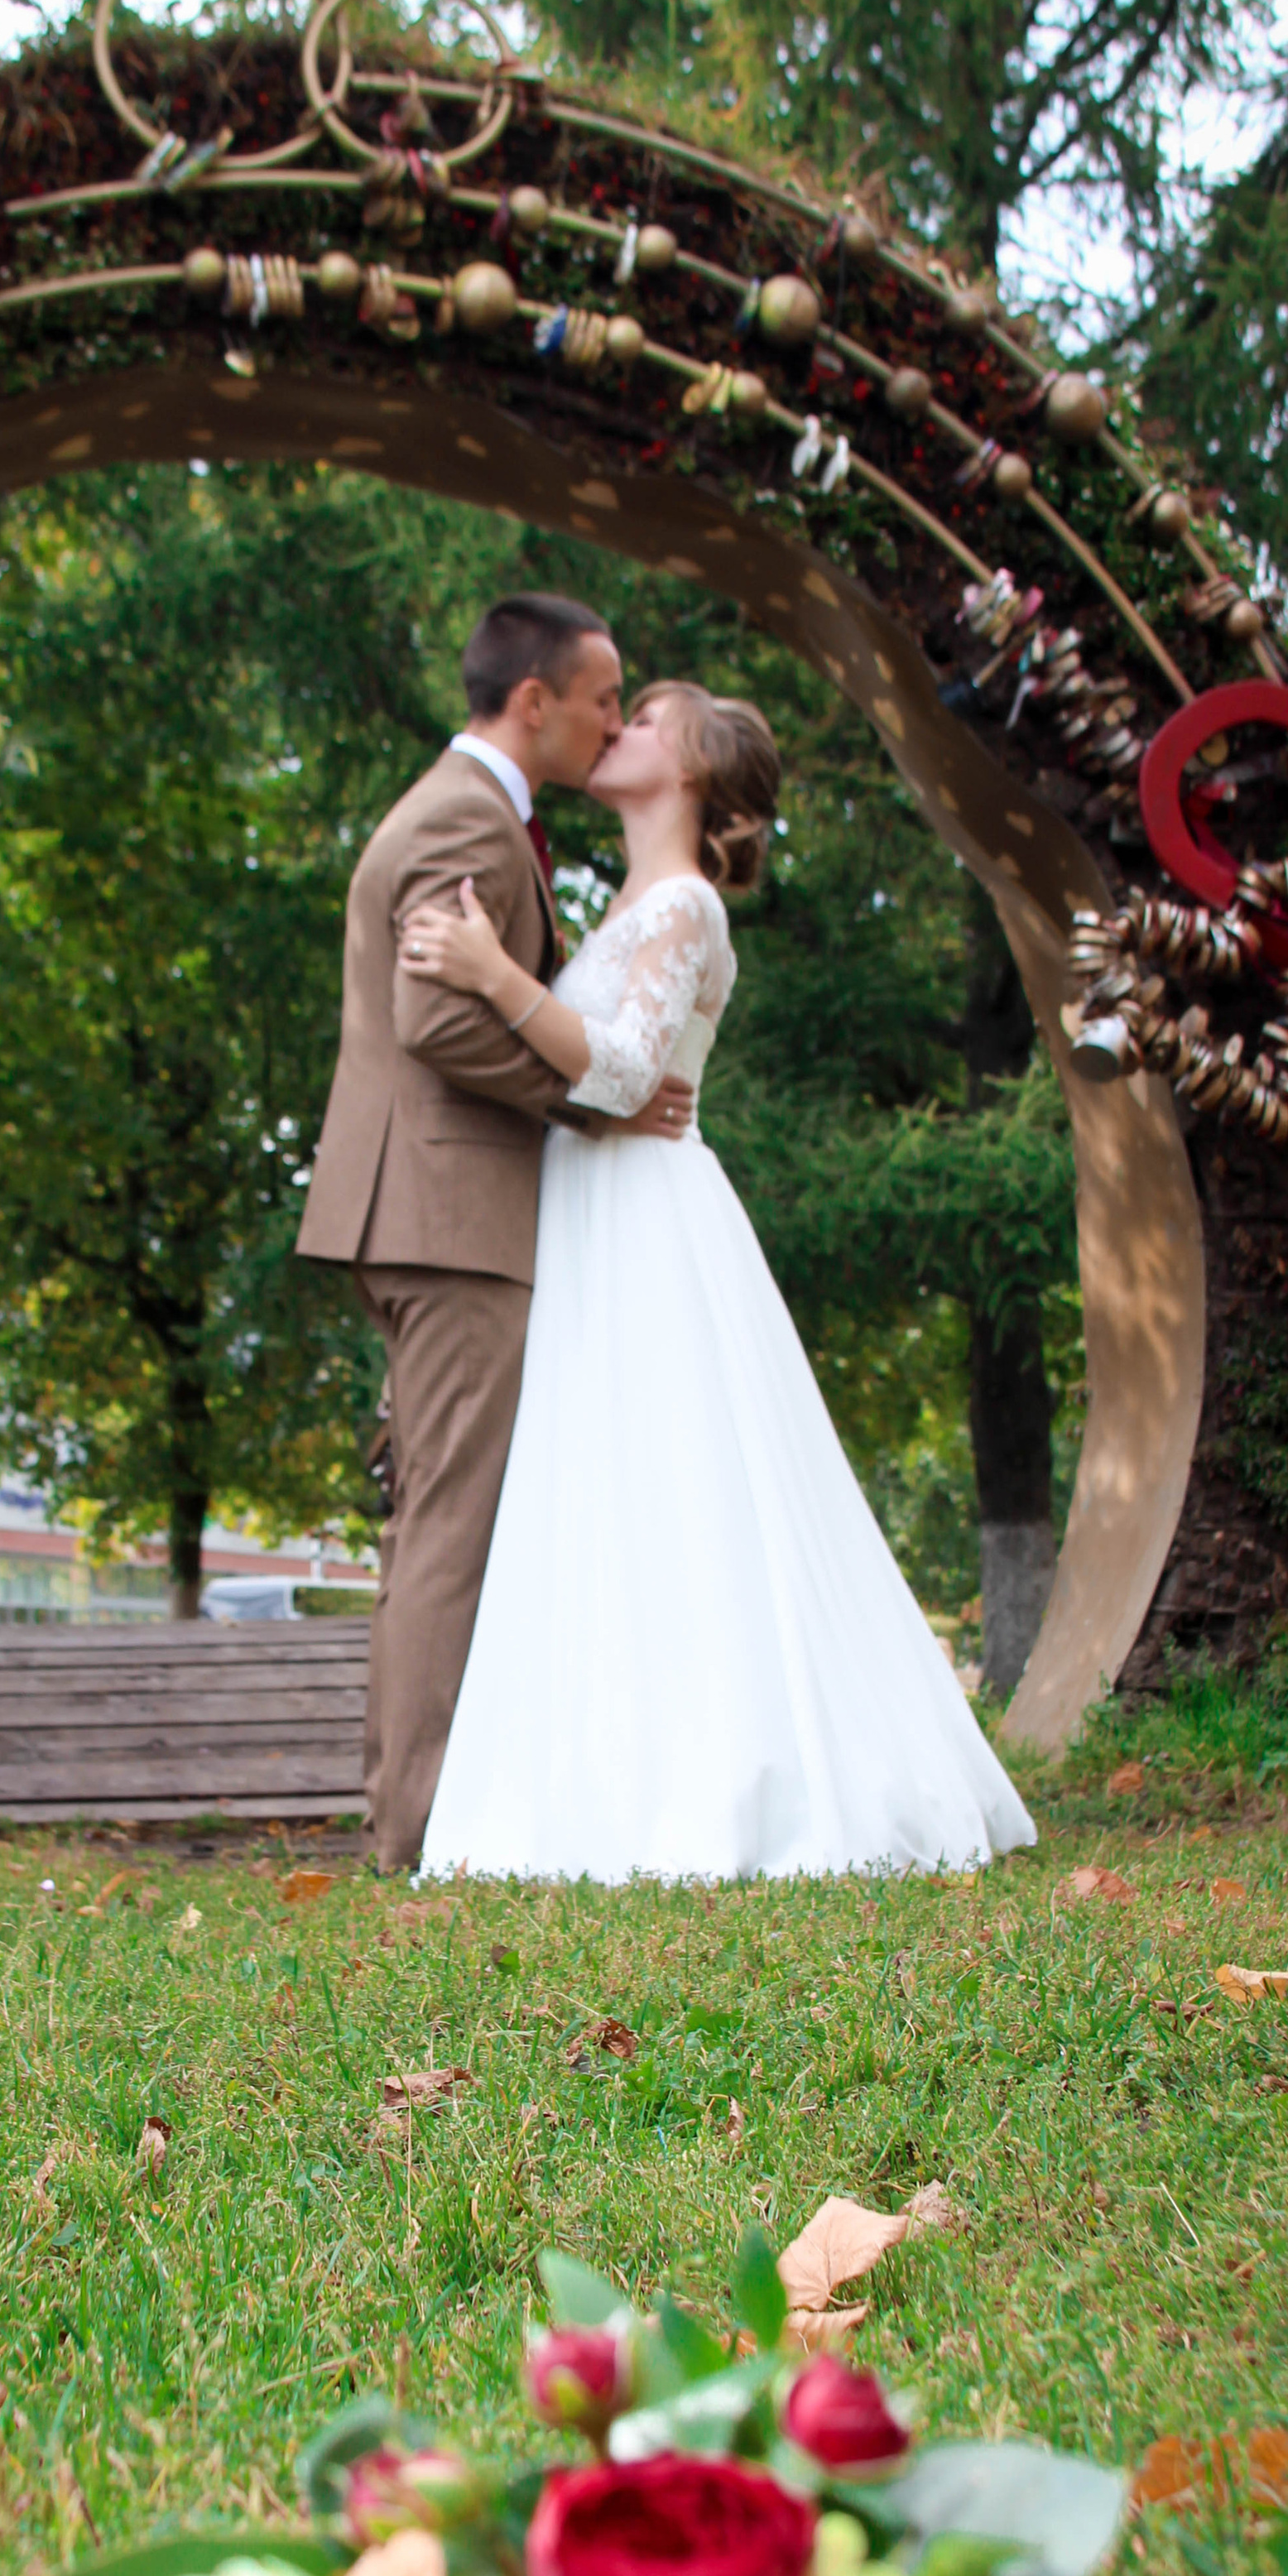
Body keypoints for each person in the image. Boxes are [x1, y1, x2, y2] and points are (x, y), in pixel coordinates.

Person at [403, 680, 1037, 1882]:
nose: (620, 727)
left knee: (675, 1486)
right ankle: (606, 1781)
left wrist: (490, 974)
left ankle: (719, 1784)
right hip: (595, 1208)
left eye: (646, 718)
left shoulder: (686, 905)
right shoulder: (633, 903)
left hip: (647, 1220)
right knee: (607, 1491)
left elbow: (627, 1072)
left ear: (692, 769)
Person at [297, 596, 693, 1872]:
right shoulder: (466, 815)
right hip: (450, 1213)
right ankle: (417, 1832)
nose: (613, 722)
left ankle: (434, 1813)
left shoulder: (473, 812)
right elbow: (441, 1025)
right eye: (601, 698)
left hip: (435, 1208)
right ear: (535, 699)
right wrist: (597, 1105)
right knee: (451, 1531)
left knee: (442, 1521)